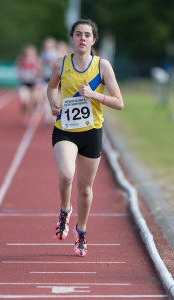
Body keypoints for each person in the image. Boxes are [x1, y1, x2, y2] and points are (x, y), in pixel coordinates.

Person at [47, 19, 123, 257]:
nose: (82, 38)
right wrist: (53, 102)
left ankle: (81, 233)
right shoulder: (61, 63)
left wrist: (93, 95)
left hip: (91, 132)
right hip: (65, 129)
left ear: (93, 40)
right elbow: (51, 88)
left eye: (87, 35)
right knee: (67, 175)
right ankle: (65, 210)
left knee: (85, 189)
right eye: (78, 34)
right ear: (71, 38)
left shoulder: (103, 66)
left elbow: (119, 103)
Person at [16, 45, 42, 127]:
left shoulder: (37, 60)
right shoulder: (21, 60)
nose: (29, 54)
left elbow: (41, 71)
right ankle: (27, 114)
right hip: (24, 83)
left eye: (31, 52)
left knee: (33, 101)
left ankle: (31, 117)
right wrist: (21, 75)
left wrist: (37, 67)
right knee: (24, 101)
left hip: (35, 83)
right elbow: (18, 71)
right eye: (28, 52)